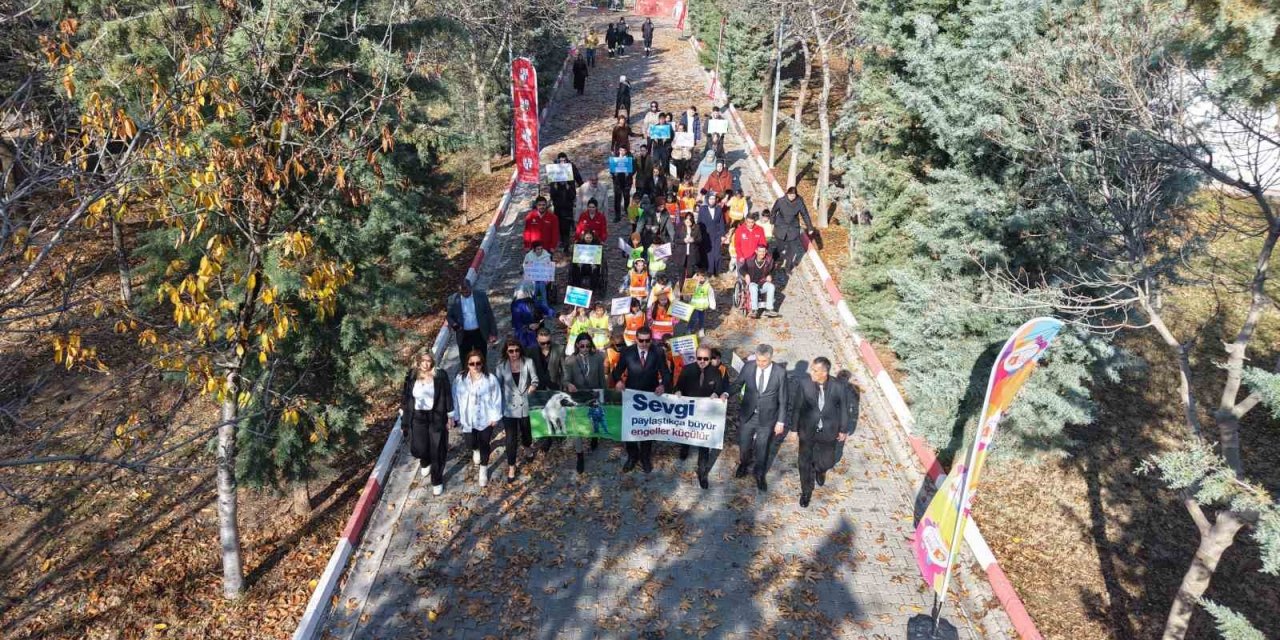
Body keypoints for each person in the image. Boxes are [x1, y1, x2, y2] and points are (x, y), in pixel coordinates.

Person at [789, 357, 858, 507]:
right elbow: (797, 408)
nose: (811, 372)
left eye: (815, 370)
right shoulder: (804, 384)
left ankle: (820, 470)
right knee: (803, 462)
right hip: (807, 430)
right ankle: (806, 491)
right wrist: (794, 430)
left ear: (824, 372)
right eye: (812, 369)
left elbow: (845, 410)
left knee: (827, 461)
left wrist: (843, 429)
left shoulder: (838, 387)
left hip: (829, 431)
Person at [611, 325, 671, 472]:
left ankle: (645, 457)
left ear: (651, 339)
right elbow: (616, 371)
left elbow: (666, 373)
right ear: (635, 339)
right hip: (631, 395)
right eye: (641, 341)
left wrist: (663, 385)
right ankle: (632, 456)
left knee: (647, 427)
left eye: (647, 341)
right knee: (630, 426)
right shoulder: (627, 352)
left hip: (651, 396)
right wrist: (618, 381)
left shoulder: (657, 352)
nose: (644, 344)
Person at [732, 343, 788, 492]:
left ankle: (759, 474)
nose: (760, 364)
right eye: (758, 360)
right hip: (748, 415)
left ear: (770, 358)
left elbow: (783, 399)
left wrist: (781, 421)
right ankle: (744, 464)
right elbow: (738, 384)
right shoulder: (749, 367)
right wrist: (725, 394)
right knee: (744, 445)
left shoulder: (780, 373)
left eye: (764, 361)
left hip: (767, 418)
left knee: (762, 448)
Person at [673, 346, 728, 489]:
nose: (702, 361)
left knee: (704, 445)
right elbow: (678, 385)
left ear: (710, 359)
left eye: (706, 359)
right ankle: (684, 449)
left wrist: (717, 393)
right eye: (699, 358)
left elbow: (720, 388)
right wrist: (678, 391)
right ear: (695, 357)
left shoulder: (716, 372)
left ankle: (703, 473)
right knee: (686, 434)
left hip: (706, 414)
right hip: (689, 412)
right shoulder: (687, 369)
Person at [400, 349, 453, 495]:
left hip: (436, 416)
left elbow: (447, 395)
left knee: (437, 449)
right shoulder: (411, 375)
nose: (425, 364)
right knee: (419, 449)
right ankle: (425, 460)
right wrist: (404, 422)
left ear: (432, 361)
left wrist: (450, 416)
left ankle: (437, 480)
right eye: (422, 360)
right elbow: (406, 398)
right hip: (418, 417)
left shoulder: (440, 375)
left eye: (428, 360)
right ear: (418, 361)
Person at [450, 349, 502, 487]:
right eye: (472, 363)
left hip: (485, 419)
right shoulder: (460, 379)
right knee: (470, 443)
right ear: (467, 364)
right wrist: (455, 415)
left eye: (478, 363)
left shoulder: (490, 379)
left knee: (485, 444)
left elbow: (497, 398)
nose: (475, 366)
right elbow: (454, 396)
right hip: (468, 419)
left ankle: (483, 470)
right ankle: (475, 450)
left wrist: (495, 416)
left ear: (482, 364)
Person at [496, 338, 539, 481]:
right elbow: (497, 386)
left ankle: (527, 447)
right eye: (511, 351)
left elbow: (535, 379)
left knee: (526, 431)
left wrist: (532, 386)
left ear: (520, 350)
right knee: (510, 438)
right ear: (506, 352)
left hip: (525, 404)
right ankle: (512, 466)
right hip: (509, 407)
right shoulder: (501, 366)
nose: (514, 353)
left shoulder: (528, 362)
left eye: (516, 350)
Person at [563, 331, 607, 472]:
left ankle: (594, 438)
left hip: (594, 395)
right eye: (582, 346)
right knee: (577, 427)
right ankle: (580, 455)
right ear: (577, 345)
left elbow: (602, 379)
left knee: (595, 420)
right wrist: (568, 384)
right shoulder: (570, 360)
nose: (585, 349)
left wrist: (604, 395)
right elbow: (565, 379)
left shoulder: (598, 358)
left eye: (588, 346)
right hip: (577, 396)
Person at [446, 280, 498, 364]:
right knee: (465, 359)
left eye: (467, 291)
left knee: (481, 357)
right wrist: (454, 324)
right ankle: (467, 375)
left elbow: (489, 314)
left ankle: (483, 375)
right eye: (463, 292)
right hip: (463, 334)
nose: (465, 293)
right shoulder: (453, 299)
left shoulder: (481, 296)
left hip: (479, 332)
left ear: (471, 288)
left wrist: (493, 333)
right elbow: (449, 316)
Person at [771, 186, 815, 271]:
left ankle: (788, 267)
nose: (792, 197)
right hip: (781, 227)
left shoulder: (799, 202)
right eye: (790, 195)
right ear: (787, 194)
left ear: (796, 195)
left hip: (793, 229)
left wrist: (810, 227)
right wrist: (772, 223)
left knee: (792, 249)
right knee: (779, 247)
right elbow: (773, 211)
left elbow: (805, 214)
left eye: (793, 195)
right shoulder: (780, 201)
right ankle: (773, 263)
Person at [549, 154, 584, 250]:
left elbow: (577, 175)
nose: (562, 162)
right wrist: (554, 187)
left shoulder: (570, 166)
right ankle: (561, 238)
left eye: (564, 160)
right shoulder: (554, 168)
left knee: (567, 221)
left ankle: (566, 241)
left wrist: (581, 184)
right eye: (560, 160)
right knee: (559, 221)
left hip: (568, 198)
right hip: (557, 201)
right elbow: (551, 185)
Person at [511, 284, 554, 349]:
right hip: (528, 337)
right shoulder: (518, 305)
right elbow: (517, 323)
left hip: (529, 336)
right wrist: (529, 327)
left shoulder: (517, 304)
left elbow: (515, 324)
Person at [740, 245, 778, 318]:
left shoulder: (769, 260)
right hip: (752, 282)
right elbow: (741, 269)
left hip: (763, 282)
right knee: (753, 288)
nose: (762, 253)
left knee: (771, 286)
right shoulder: (749, 260)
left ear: (766, 252)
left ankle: (769, 309)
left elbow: (773, 270)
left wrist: (770, 275)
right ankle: (754, 310)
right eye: (760, 251)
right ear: (756, 251)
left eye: (763, 251)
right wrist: (746, 274)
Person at [697, 191, 727, 276]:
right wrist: (699, 234)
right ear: (707, 199)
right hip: (706, 235)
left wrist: (722, 235)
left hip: (716, 235)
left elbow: (721, 223)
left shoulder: (719, 209)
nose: (712, 201)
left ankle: (716, 271)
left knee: (717, 254)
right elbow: (699, 222)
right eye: (710, 199)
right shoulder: (703, 209)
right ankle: (709, 271)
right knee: (709, 254)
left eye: (713, 199)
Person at [670, 213, 702, 289]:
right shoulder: (679, 227)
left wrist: (693, 240)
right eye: (686, 219)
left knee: (690, 273)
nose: (688, 221)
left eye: (690, 219)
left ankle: (688, 290)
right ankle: (681, 292)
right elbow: (675, 240)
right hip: (681, 254)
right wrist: (683, 240)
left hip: (691, 255)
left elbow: (700, 239)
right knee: (681, 274)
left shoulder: (697, 228)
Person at [685, 269, 715, 337]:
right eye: (701, 277)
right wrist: (687, 298)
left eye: (704, 278)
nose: (702, 279)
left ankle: (701, 329)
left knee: (702, 319)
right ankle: (689, 329)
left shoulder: (708, 285)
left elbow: (711, 295)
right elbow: (687, 293)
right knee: (693, 318)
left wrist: (712, 304)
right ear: (697, 276)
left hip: (703, 306)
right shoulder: (693, 283)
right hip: (694, 306)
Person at [609, 146, 635, 223]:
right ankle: (617, 215)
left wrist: (629, 173)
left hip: (627, 181)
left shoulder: (629, 159)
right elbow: (611, 169)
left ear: (626, 151)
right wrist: (614, 174)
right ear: (619, 150)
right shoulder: (615, 159)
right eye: (621, 150)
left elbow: (634, 169)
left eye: (624, 150)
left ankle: (627, 211)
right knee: (617, 198)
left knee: (626, 197)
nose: (622, 152)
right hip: (617, 182)